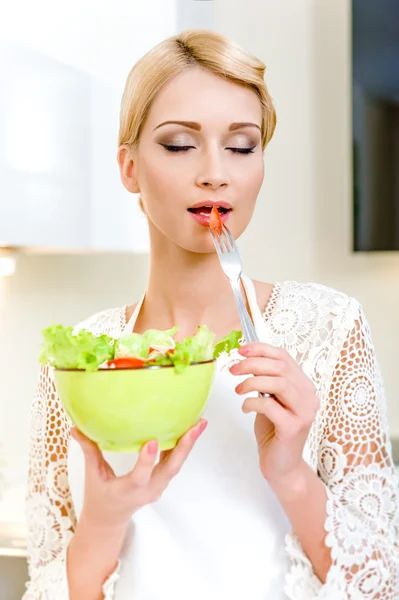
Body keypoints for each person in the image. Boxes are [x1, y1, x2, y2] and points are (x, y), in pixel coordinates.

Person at [23, 29, 399, 600]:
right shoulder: (81, 357)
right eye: (179, 144)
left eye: (242, 146)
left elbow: (381, 584)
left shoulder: (329, 328)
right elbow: (51, 584)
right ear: (129, 169)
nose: (215, 172)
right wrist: (105, 517)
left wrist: (291, 474)